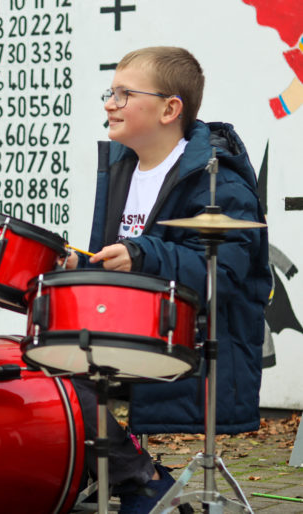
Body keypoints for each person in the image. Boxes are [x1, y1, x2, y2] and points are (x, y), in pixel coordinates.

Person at [64, 46, 271, 513]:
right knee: (30, 367)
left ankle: (141, 478)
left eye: (123, 94)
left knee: (61, 382)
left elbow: (225, 272)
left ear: (169, 108)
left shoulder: (219, 181)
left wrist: (141, 254)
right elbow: (117, 264)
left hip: (186, 338)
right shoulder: (121, 167)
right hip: (124, 326)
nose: (109, 104)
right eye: (109, 93)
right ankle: (121, 474)